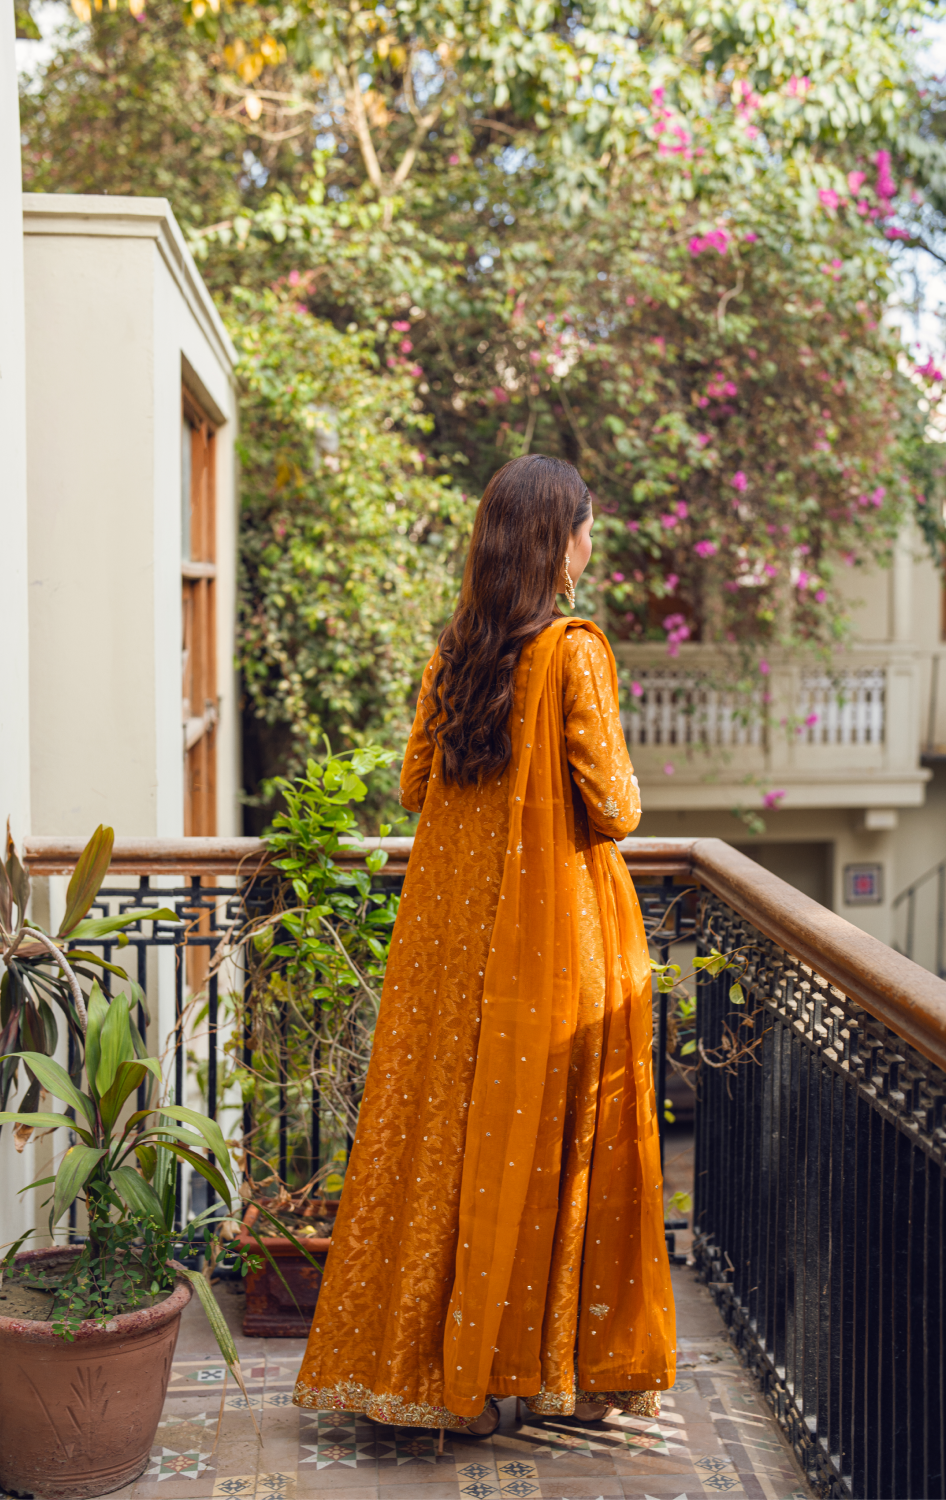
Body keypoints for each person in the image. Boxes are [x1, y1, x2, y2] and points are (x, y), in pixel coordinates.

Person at [293, 453, 676, 1436]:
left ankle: (425, 1374)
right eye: (586, 528)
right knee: (549, 1148)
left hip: (449, 944)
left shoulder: (457, 653)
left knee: (443, 1143)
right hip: (550, 946)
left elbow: (414, 787)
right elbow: (617, 807)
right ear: (559, 544)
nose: (591, 545)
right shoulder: (572, 653)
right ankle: (533, 1370)